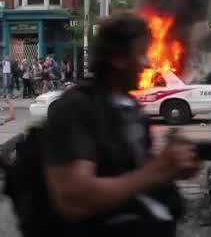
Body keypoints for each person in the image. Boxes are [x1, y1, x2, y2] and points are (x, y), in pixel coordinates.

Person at [43, 14, 200, 237]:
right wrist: (158, 170)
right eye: (141, 53)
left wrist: (172, 168)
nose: (148, 63)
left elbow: (131, 174)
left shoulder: (130, 108)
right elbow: (74, 200)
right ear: (118, 58)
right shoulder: (75, 108)